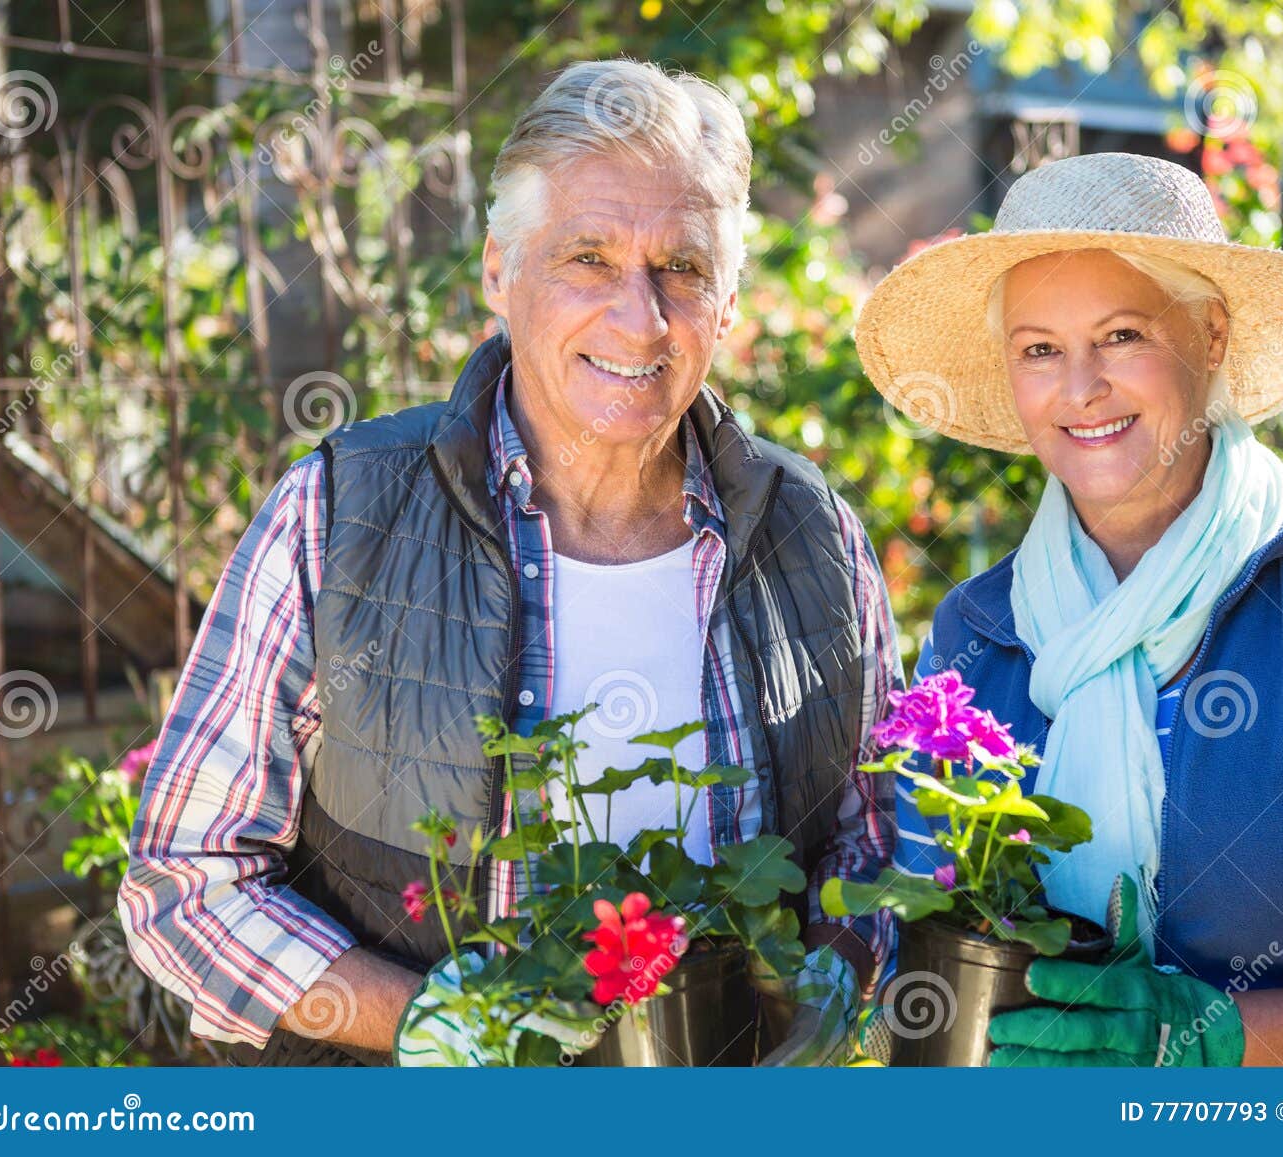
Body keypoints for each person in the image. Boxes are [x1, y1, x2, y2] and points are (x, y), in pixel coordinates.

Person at [119, 59, 900, 1067]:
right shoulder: (339, 510)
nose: (642, 316)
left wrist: (839, 971)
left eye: (684, 268)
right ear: (499, 270)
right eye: (587, 258)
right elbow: (187, 882)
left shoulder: (814, 535)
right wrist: (420, 1019)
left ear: (730, 298)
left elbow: (875, 836)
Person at [857, 151, 1283, 1066]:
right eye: (1039, 349)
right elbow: (924, 972)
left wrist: (1215, 1038)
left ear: (1212, 334)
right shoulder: (974, 637)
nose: (1080, 387)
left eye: (1123, 335)